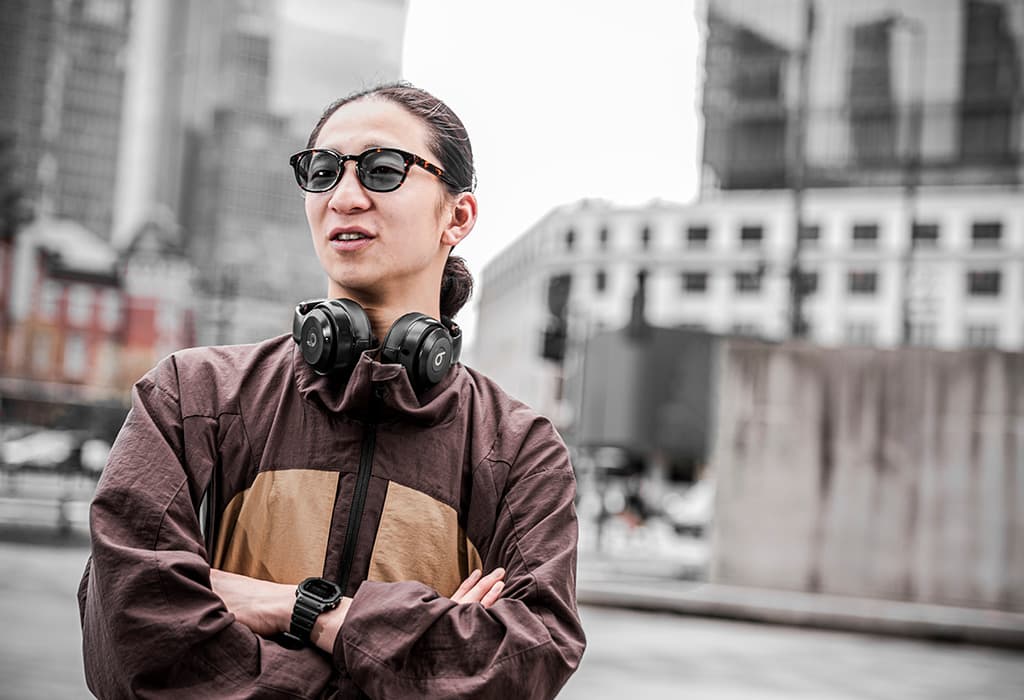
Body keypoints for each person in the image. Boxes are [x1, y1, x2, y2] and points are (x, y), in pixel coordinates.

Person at [78, 82, 586, 698]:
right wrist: (417, 653)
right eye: (323, 172)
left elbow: (525, 661)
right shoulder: (192, 397)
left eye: (383, 169)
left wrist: (303, 612)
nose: (344, 197)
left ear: (457, 216)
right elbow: (132, 631)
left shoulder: (520, 450)